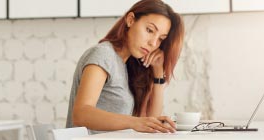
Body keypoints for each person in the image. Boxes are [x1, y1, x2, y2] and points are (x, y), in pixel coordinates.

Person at [65, 0, 186, 133]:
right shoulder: (103, 54)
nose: (153, 43)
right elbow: (81, 114)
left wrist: (158, 73)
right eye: (150, 30)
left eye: (161, 39)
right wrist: (134, 122)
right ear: (130, 20)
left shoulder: (129, 65)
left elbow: (152, 120)